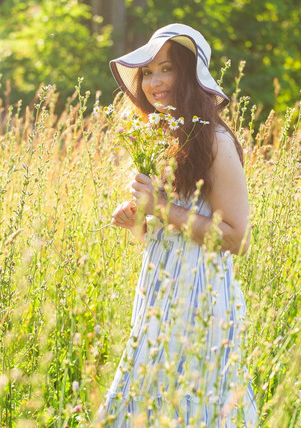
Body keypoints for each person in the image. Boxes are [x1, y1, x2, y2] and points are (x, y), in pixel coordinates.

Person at [97, 24, 258, 427]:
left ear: (189, 74)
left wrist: (163, 208)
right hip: (156, 299)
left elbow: (237, 238)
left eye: (165, 69)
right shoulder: (158, 139)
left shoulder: (217, 142)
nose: (154, 82)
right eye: (147, 73)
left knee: (198, 410)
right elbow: (158, 235)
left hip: (202, 304)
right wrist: (136, 221)